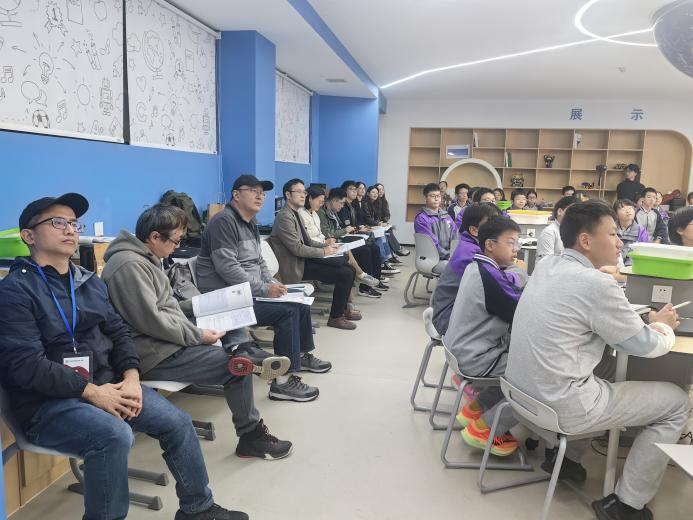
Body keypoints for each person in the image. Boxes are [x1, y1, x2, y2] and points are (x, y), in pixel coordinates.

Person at [0, 193, 246, 520]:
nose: (70, 229)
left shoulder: (88, 283)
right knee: (114, 435)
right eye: (58, 222)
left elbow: (119, 334)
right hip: (48, 403)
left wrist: (131, 377)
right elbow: (25, 365)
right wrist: (91, 392)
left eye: (74, 223)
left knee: (178, 423)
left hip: (109, 386)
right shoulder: (15, 291)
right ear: (29, 236)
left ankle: (198, 509)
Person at [506, 200, 690, 520]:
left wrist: (636, 318)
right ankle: (626, 503)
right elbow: (647, 345)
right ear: (586, 240)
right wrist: (663, 326)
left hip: (521, 392)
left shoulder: (548, 265)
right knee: (676, 403)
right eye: (613, 234)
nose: (620, 243)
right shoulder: (596, 283)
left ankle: (566, 460)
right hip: (562, 404)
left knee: (604, 366)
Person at [102, 203, 292, 458]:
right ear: (155, 237)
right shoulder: (129, 266)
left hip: (162, 341)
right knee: (236, 367)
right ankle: (251, 436)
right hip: (151, 353)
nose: (177, 247)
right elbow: (153, 320)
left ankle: (245, 349)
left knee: (227, 314)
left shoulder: (146, 259)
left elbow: (165, 307)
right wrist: (198, 335)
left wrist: (204, 304)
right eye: (175, 241)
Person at [196, 175, 332, 401]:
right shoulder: (224, 222)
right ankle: (282, 383)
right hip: (226, 298)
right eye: (253, 191)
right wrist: (263, 289)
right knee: (288, 312)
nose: (260, 196)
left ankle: (299, 355)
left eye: (262, 192)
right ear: (236, 195)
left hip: (246, 293)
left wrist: (272, 283)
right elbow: (227, 268)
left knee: (298, 304)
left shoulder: (250, 223)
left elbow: (259, 262)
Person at [445, 216, 527, 457]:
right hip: (476, 357)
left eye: (517, 243)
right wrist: (521, 275)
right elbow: (517, 309)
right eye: (510, 243)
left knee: (520, 361)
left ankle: (476, 409)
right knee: (534, 374)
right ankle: (485, 429)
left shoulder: (478, 267)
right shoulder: (489, 275)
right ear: (490, 245)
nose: (515, 249)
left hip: (462, 350)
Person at [269, 178, 358, 330]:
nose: (303, 195)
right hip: (295, 265)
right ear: (288, 195)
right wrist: (324, 251)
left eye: (304, 192)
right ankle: (336, 317)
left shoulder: (295, 213)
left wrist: (326, 246)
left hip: (302, 260)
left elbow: (308, 241)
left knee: (349, 269)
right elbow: (297, 248)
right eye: (299, 192)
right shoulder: (284, 216)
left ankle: (341, 312)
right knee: (345, 273)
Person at [431, 202, 502, 337]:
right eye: (492, 224)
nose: (499, 229)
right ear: (474, 230)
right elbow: (497, 284)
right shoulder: (472, 254)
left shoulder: (471, 244)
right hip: (448, 321)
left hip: (451, 313)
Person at [303, 186, 384, 298]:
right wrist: (333, 238)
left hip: (331, 242)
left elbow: (323, 233)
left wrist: (351, 230)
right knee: (363, 253)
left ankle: (372, 279)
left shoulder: (322, 213)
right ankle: (364, 284)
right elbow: (325, 234)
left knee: (373, 247)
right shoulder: (319, 212)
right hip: (323, 247)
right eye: (341, 203)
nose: (342, 206)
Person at [340, 180, 401, 273]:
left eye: (355, 189)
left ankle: (382, 266)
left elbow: (358, 221)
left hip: (356, 230)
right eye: (352, 189)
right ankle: (383, 264)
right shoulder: (348, 205)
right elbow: (350, 225)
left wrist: (363, 226)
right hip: (348, 236)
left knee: (380, 237)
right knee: (374, 242)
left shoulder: (353, 205)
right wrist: (361, 227)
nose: (355, 191)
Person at [414, 182, 458, 269]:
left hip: (449, 257)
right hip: (431, 258)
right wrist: (448, 256)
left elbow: (456, 236)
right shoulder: (422, 218)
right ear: (425, 198)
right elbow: (431, 244)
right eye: (432, 196)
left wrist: (455, 254)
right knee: (457, 268)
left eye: (438, 196)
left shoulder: (447, 216)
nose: (436, 199)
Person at [371, 183, 409, 257]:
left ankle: (394, 251)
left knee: (389, 228)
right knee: (387, 230)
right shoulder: (373, 202)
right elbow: (373, 216)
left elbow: (387, 215)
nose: (381, 191)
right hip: (376, 224)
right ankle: (396, 249)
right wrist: (380, 222)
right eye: (379, 189)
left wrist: (384, 221)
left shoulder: (384, 202)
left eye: (382, 189)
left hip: (381, 223)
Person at [535, 196, 576, 263]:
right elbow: (547, 263)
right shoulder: (549, 232)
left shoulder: (575, 232)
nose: (576, 216)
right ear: (560, 211)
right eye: (573, 211)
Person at [614, 199, 649, 266]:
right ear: (616, 214)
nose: (628, 211)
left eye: (630, 208)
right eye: (623, 209)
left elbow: (642, 251)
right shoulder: (611, 228)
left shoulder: (641, 230)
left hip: (633, 265)